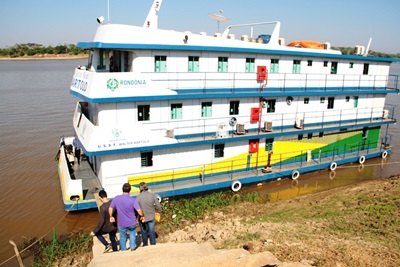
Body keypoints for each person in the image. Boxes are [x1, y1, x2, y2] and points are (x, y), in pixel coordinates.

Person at [109, 183, 143, 251]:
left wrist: (111, 216)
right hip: (131, 222)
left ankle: (123, 250)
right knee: (132, 234)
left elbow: (110, 208)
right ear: (130, 190)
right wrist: (142, 215)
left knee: (122, 237)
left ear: (122, 190)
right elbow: (139, 211)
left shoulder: (116, 199)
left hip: (121, 223)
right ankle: (132, 247)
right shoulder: (133, 200)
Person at [137, 182, 162, 246]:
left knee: (143, 231)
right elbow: (158, 205)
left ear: (140, 188)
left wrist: (137, 216)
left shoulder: (138, 197)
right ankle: (153, 244)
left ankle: (145, 244)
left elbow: (136, 208)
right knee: (151, 231)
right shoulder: (152, 195)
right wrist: (159, 211)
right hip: (151, 216)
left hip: (142, 217)